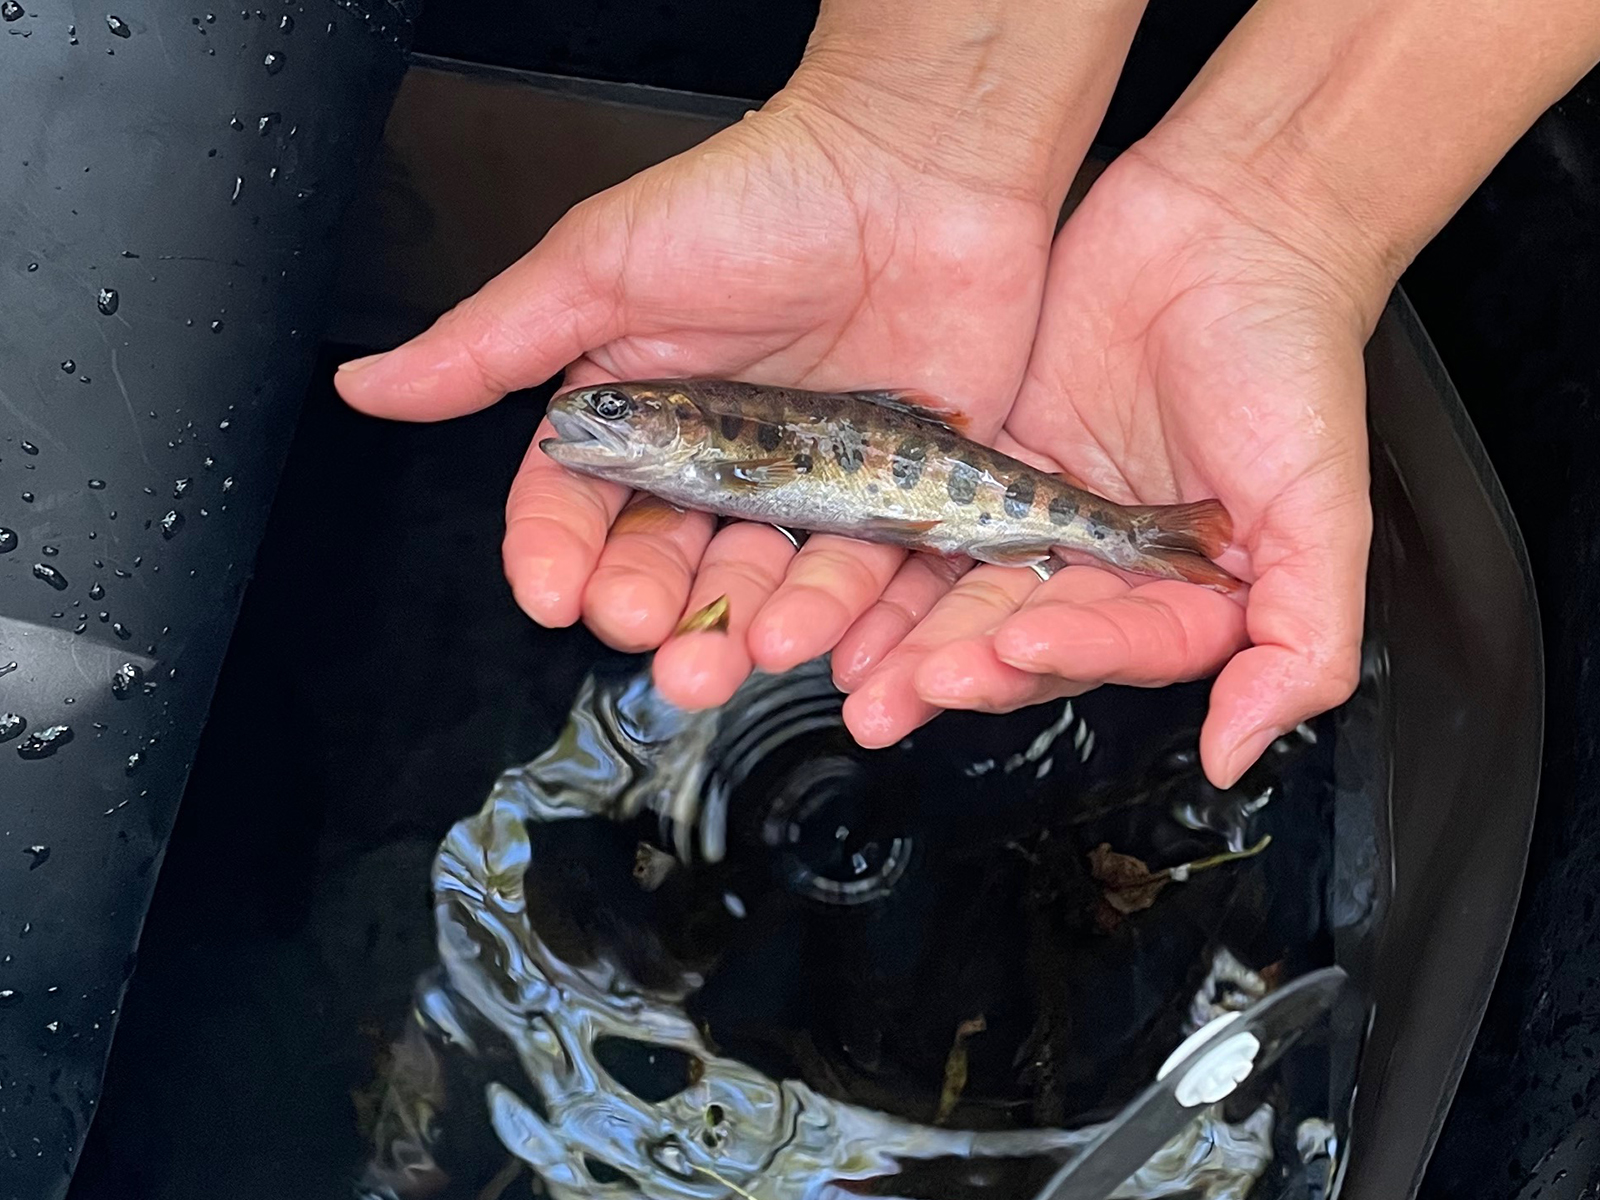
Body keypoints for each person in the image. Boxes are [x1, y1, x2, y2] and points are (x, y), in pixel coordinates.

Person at [334, 0, 1600, 790]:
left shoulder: (712, 449)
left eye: (617, 416)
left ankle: (1141, 536)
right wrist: (922, 105)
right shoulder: (703, 445)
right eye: (605, 420)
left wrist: (1288, 213)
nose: (591, 422)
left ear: (685, 431)